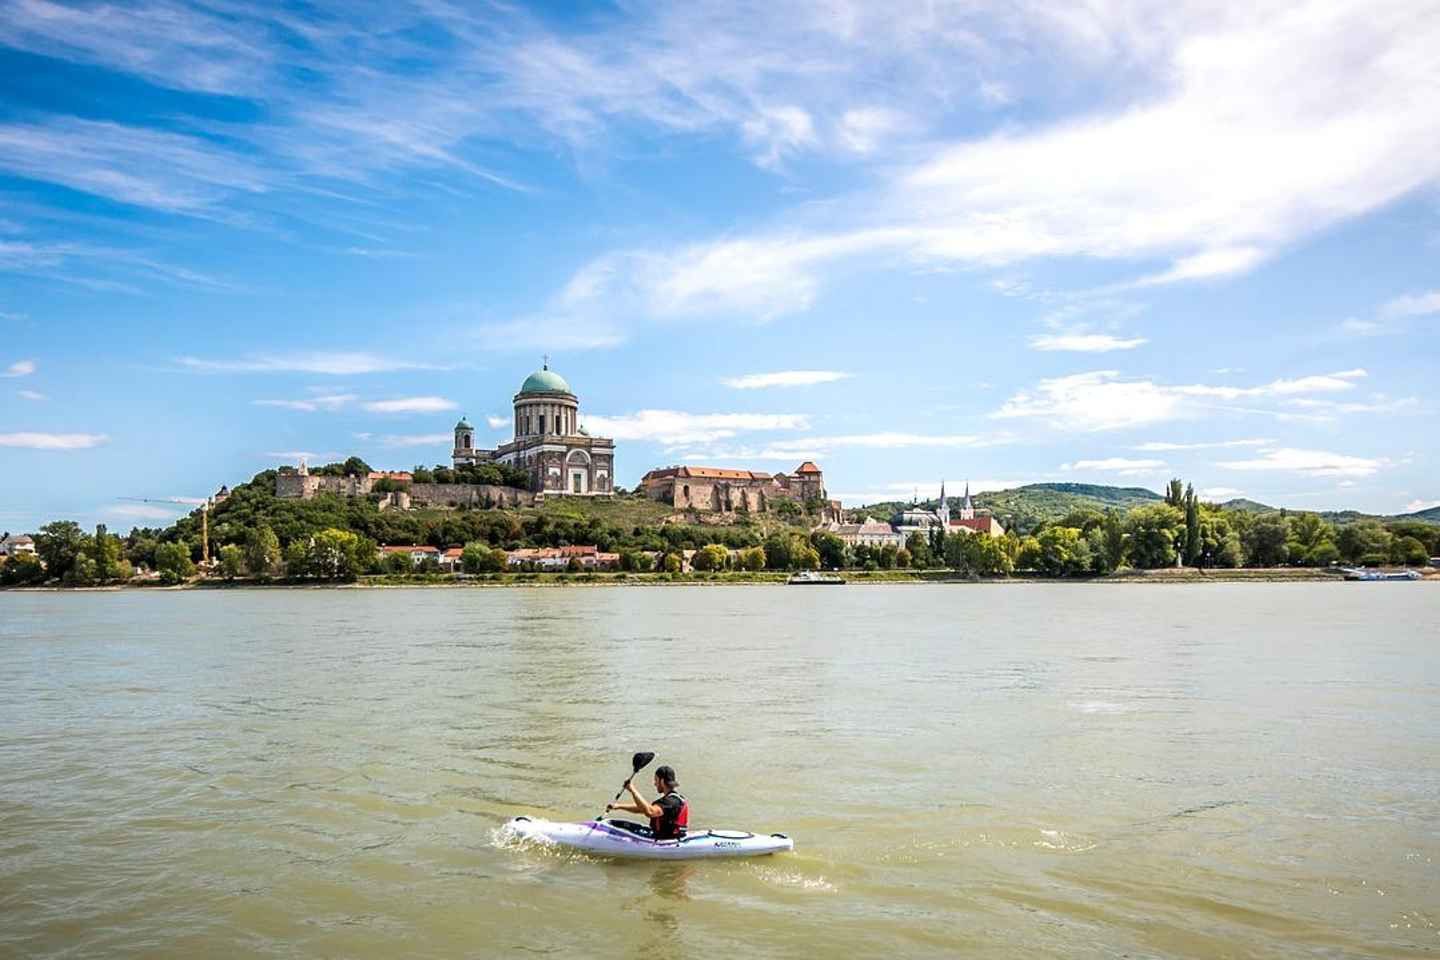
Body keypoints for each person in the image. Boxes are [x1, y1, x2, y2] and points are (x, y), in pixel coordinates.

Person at [606, 764, 689, 839]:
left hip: (665, 839)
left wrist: (632, 790)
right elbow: (643, 808)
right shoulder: (674, 799)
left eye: (656, 780)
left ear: (662, 781)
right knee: (618, 824)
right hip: (671, 835)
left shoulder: (670, 802)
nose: (654, 783)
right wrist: (619, 806)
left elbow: (649, 812)